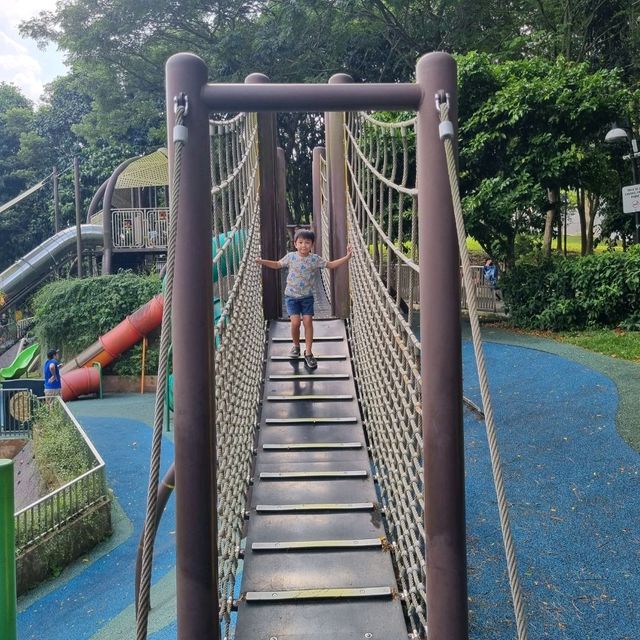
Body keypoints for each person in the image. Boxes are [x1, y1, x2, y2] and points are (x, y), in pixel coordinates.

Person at [256, 228, 352, 369]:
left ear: (312, 244)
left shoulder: (315, 259)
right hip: (291, 297)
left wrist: (347, 257)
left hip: (307, 297)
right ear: (295, 244)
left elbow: (330, 265)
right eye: (300, 242)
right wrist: (262, 261)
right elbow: (277, 265)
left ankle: (308, 352)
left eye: (307, 243)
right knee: (295, 323)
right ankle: (296, 346)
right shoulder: (291, 257)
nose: (303, 245)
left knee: (308, 322)